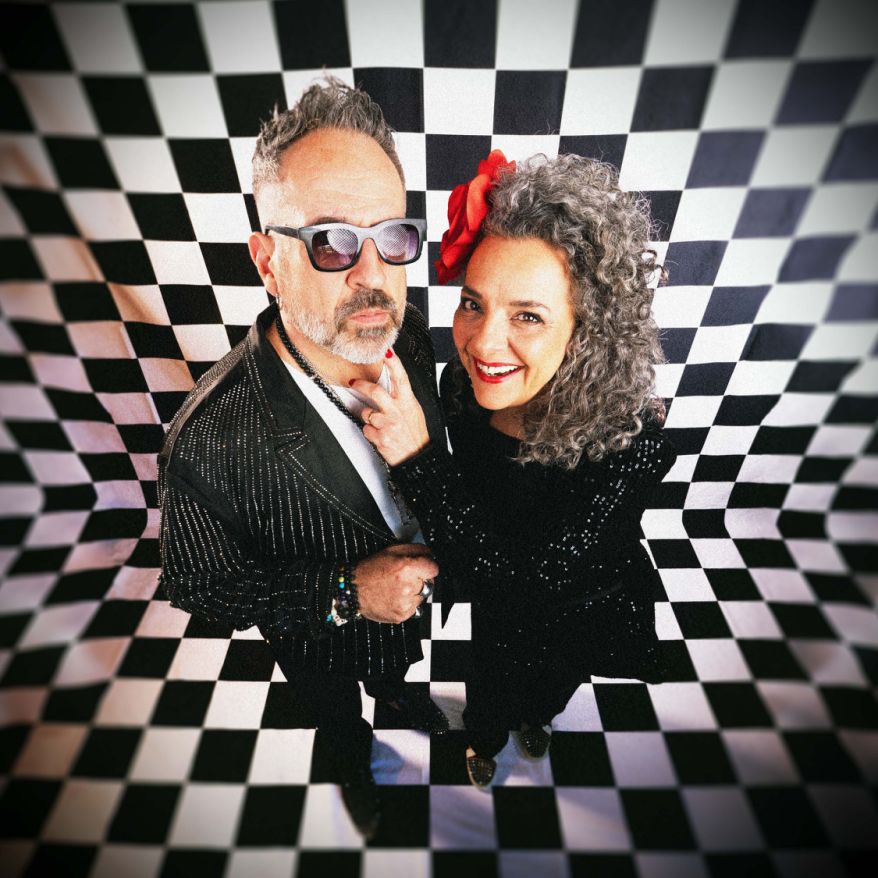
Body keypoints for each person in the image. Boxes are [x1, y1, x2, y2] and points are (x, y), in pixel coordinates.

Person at [157, 77, 449, 838]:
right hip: (317, 640)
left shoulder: (409, 335)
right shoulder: (205, 443)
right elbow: (203, 588)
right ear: (268, 262)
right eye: (331, 242)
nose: (372, 276)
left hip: (412, 608)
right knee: (337, 714)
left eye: (393, 236)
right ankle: (351, 757)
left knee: (395, 672)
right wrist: (348, 592)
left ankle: (398, 696)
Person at [353, 151, 677, 786]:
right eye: (473, 304)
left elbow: (532, 582)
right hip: (493, 597)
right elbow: (476, 519)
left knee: (550, 682)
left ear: (588, 331)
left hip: (573, 607)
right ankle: (483, 740)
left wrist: (417, 458)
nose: (481, 343)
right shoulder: (463, 387)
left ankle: (539, 718)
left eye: (527, 315)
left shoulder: (630, 441)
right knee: (489, 682)